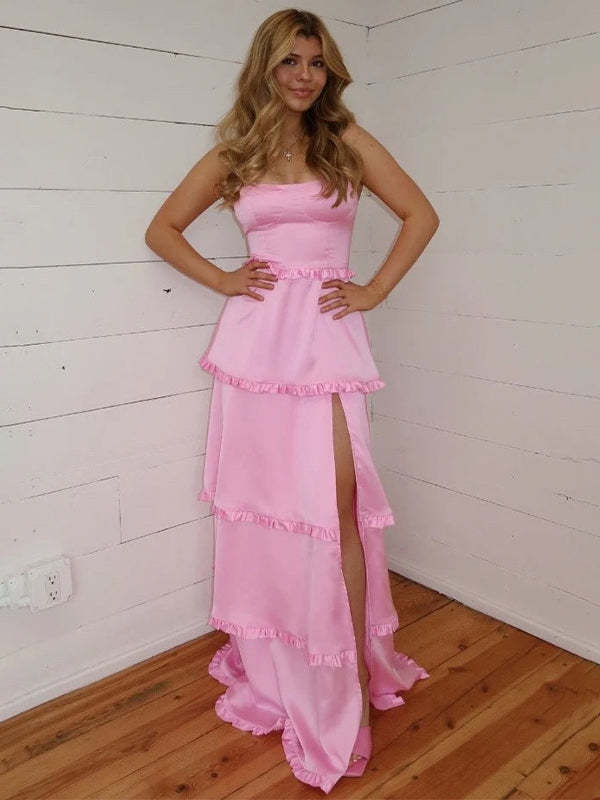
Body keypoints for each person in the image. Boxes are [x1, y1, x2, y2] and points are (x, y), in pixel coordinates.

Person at [145, 8, 439, 794]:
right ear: (265, 70)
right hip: (255, 353)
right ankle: (284, 658)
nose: (304, 75)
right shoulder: (235, 152)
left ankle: (347, 679)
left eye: (315, 61)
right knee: (272, 508)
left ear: (329, 70)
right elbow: (162, 230)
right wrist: (222, 279)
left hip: (326, 344)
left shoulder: (347, 143)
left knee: (336, 510)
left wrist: (373, 289)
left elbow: (422, 215)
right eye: (289, 61)